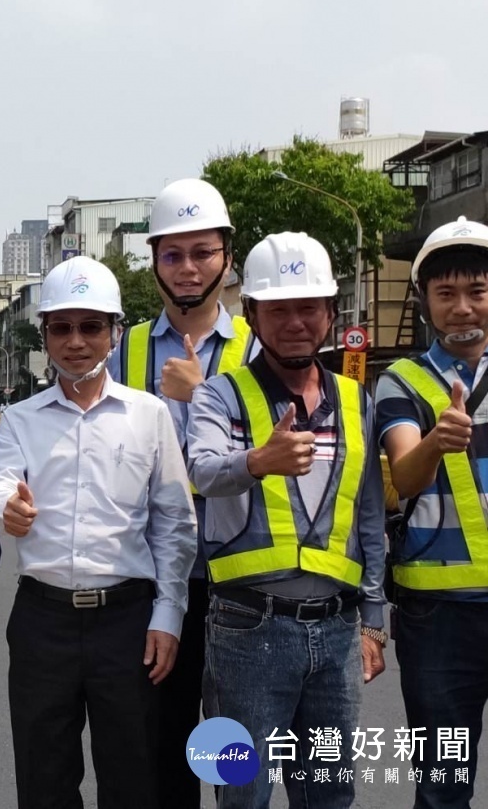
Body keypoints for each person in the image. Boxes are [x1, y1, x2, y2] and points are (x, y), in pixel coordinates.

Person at [0, 256, 196, 809]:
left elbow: (174, 522)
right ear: (45, 334)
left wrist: (168, 615)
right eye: (62, 328)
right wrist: (9, 507)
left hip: (127, 622)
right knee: (44, 776)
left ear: (115, 333)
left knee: (133, 776)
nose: (76, 342)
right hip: (42, 621)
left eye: (91, 327)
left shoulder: (149, 416)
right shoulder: (23, 418)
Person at [187, 232, 387, 809]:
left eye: (308, 307)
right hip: (248, 627)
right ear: (251, 314)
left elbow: (367, 516)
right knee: (244, 793)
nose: (295, 321)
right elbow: (200, 471)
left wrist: (373, 619)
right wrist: (257, 461)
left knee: (328, 793)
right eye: (278, 309)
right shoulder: (221, 396)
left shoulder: (356, 401)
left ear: (330, 312)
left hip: (337, 630)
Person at [109, 177, 253, 808]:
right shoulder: (127, 350)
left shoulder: (259, 345)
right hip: (154, 585)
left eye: (202, 252)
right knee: (159, 751)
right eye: (173, 254)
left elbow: (279, 454)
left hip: (241, 580)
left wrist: (201, 398)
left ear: (227, 254)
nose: (189, 268)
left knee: (233, 757)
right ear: (154, 263)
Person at [376, 216, 488, 808]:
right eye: (446, 294)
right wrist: (435, 442)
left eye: (477, 291)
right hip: (438, 615)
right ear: (424, 302)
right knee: (443, 786)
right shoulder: (402, 382)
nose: (463, 307)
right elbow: (403, 476)